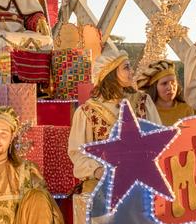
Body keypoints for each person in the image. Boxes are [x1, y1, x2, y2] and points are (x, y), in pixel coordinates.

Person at [68, 47, 161, 189]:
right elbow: (78, 153)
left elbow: (158, 141)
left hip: (141, 183)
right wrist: (98, 170)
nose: (132, 72)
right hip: (104, 185)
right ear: (110, 74)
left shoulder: (143, 102)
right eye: (126, 68)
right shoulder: (87, 112)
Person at [136, 60, 196, 126]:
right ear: (154, 87)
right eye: (164, 83)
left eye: (173, 82)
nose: (170, 87)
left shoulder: (187, 110)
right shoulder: (146, 111)